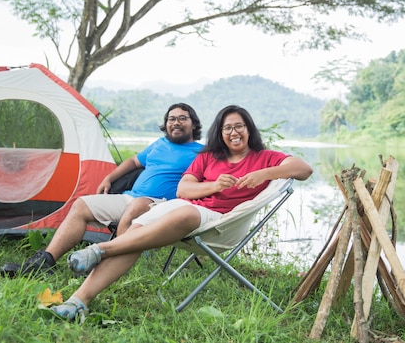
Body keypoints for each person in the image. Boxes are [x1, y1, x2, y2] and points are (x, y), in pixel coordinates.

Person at [50, 105, 313, 321]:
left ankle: (101, 250)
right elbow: (184, 189)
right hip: (188, 208)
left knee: (183, 215)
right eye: (227, 128)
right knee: (138, 233)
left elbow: (303, 169)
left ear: (249, 129)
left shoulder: (266, 157)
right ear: (220, 133)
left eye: (239, 126)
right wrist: (214, 185)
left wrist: (263, 174)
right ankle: (78, 301)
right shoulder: (209, 157)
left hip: (220, 223)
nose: (234, 132)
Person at [1, 103, 203, 276]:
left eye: (182, 118)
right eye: (171, 118)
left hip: (163, 206)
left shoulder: (201, 152)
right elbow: (133, 161)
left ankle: (106, 265)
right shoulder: (159, 144)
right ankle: (45, 261)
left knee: (137, 206)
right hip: (129, 198)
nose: (175, 122)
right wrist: (109, 177)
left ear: (193, 123)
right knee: (81, 205)